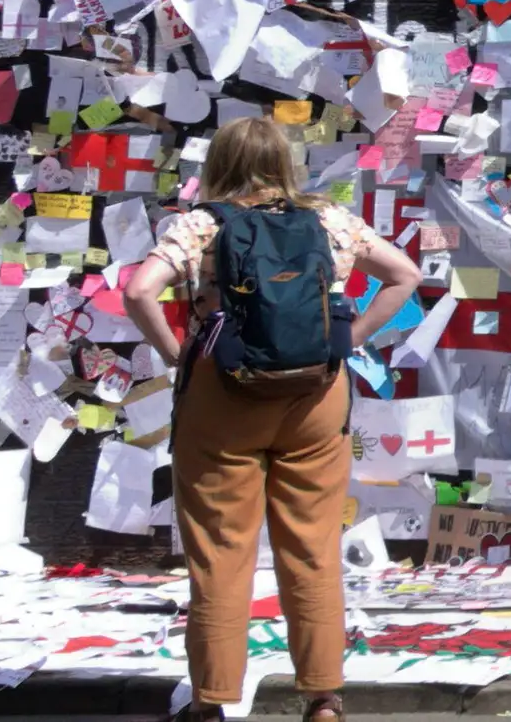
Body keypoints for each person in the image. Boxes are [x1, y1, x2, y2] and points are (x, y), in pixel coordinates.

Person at [115, 115, 424, 722]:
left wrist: (179, 356)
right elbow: (405, 276)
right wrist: (350, 339)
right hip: (316, 398)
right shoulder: (330, 220)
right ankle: (323, 697)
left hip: (222, 397)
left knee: (221, 550)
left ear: (221, 165)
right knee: (312, 547)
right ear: (285, 162)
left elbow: (137, 292)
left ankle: (211, 701)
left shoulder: (202, 224)